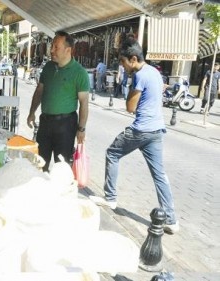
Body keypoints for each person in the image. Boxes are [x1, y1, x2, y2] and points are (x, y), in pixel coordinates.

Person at [89, 38, 179, 234]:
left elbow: (130, 107)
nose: (122, 66)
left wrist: (131, 85)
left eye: (123, 62)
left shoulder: (139, 76)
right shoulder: (155, 72)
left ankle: (110, 198)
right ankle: (171, 220)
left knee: (112, 153)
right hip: (157, 130)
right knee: (159, 175)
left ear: (133, 59)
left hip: (141, 130)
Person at [27, 30, 89, 172]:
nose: (52, 50)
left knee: (62, 167)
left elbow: (84, 103)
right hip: (45, 122)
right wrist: (32, 112)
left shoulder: (79, 73)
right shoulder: (48, 67)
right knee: (40, 163)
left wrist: (81, 129)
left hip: (66, 125)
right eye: (52, 46)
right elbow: (39, 91)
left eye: (56, 47)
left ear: (68, 50)